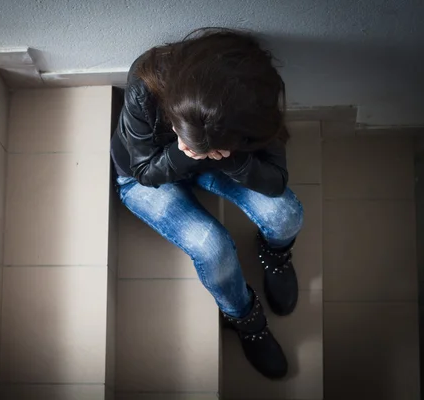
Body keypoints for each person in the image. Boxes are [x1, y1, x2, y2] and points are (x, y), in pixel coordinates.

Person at [110, 28, 303, 379]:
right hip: (148, 172)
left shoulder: (251, 93)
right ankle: (245, 318)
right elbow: (142, 171)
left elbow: (275, 181)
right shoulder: (147, 82)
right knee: (211, 247)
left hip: (216, 159)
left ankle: (275, 254)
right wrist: (186, 152)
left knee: (284, 214)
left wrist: (229, 158)